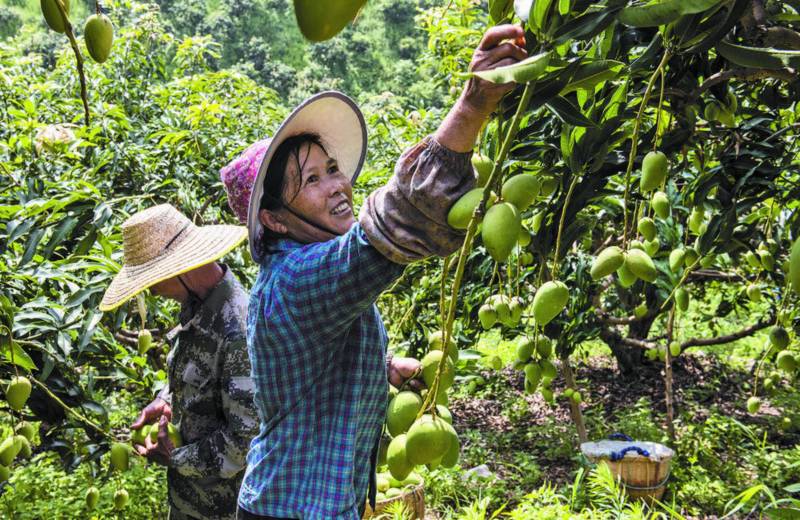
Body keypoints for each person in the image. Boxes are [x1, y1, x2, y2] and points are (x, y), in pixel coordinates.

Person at [225, 24, 527, 519]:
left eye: (333, 168)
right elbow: (395, 225)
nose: (338, 186)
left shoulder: (311, 273)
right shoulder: (293, 282)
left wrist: (383, 368)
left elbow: (319, 356)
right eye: (312, 181)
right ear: (274, 218)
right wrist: (472, 108)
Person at [99, 204, 260, 520]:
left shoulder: (236, 328)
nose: (154, 290)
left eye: (154, 280)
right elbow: (196, 376)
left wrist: (176, 457)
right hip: (189, 504)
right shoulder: (197, 305)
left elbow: (245, 441)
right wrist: (166, 399)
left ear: (181, 268)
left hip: (222, 510)